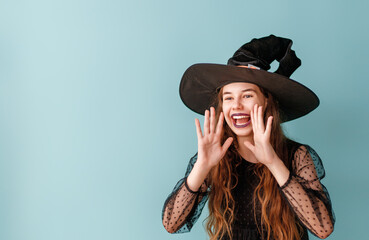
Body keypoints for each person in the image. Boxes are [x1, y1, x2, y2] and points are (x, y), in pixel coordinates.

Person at [162, 35, 335, 240]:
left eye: (247, 96)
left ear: (266, 102)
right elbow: (171, 224)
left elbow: (323, 228)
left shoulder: (297, 155)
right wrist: (202, 166)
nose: (236, 106)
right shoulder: (215, 156)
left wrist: (273, 162)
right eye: (228, 98)